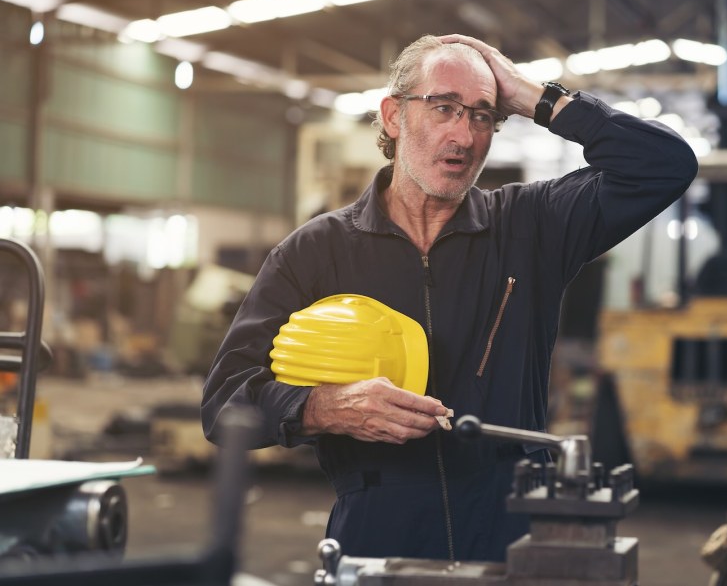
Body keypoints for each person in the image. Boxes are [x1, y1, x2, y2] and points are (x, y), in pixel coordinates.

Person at [201, 33, 698, 562]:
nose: (464, 135)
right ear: (394, 117)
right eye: (444, 109)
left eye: (483, 115)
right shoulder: (316, 251)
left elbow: (663, 165)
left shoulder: (533, 226)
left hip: (515, 534)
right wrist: (322, 408)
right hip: (377, 533)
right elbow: (224, 402)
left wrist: (536, 97)